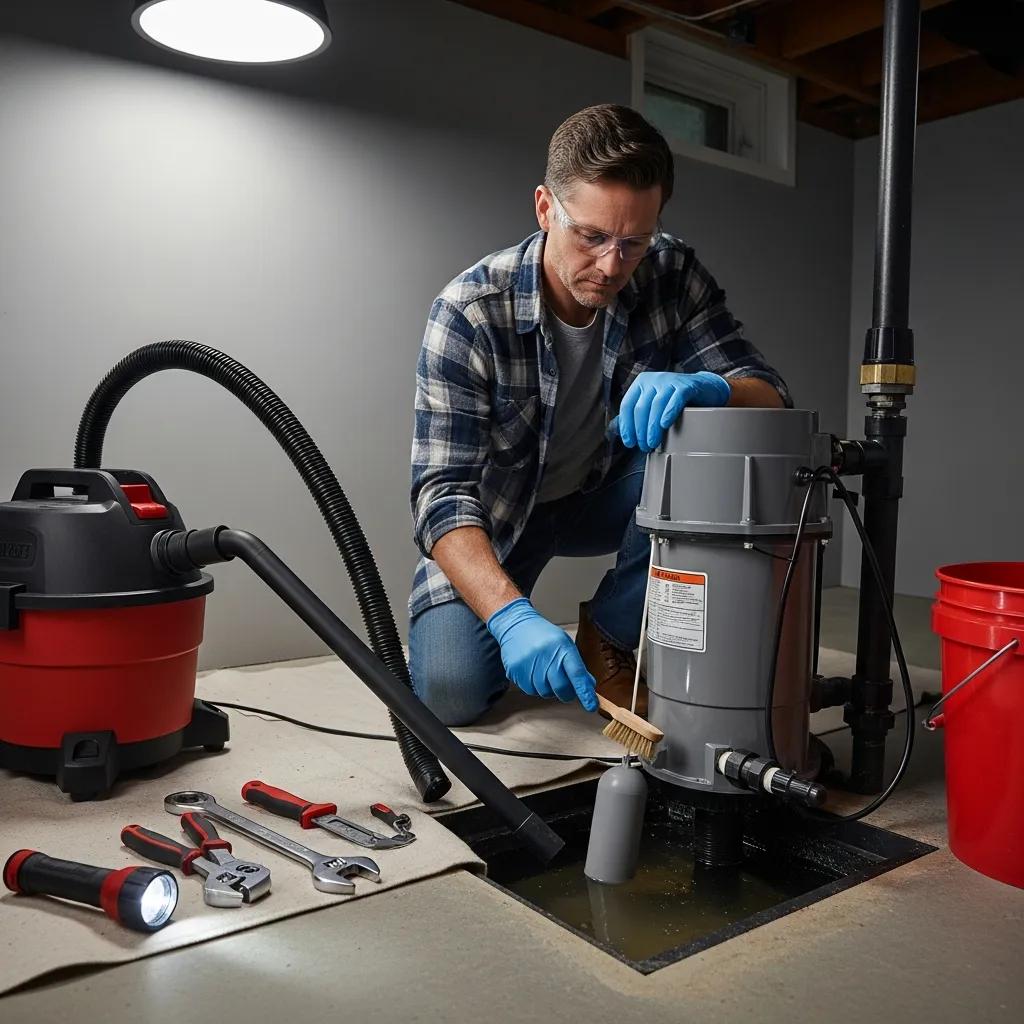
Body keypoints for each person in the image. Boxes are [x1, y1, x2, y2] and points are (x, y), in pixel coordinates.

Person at [408, 103, 789, 727]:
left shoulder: (671, 272)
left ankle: (608, 630)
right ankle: (513, 625)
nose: (612, 265)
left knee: (706, 448)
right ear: (544, 208)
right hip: (502, 521)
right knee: (451, 694)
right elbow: (440, 495)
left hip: (614, 497)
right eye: (590, 235)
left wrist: (710, 387)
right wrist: (510, 615)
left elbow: (770, 395)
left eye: (633, 241)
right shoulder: (469, 312)